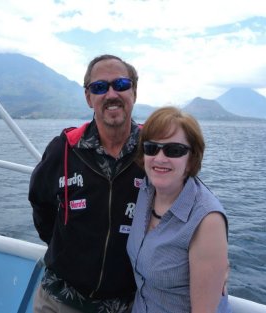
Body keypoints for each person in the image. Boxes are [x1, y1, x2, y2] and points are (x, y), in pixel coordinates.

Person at [29, 54, 145, 313]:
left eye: (121, 84)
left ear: (134, 92)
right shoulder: (65, 149)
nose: (111, 93)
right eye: (100, 87)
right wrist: (65, 251)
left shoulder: (152, 152)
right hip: (59, 300)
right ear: (88, 97)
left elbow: (187, 207)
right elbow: (40, 203)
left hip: (126, 305)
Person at [127, 106, 231, 313]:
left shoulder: (207, 221)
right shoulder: (146, 191)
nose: (160, 158)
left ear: (191, 159)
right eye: (151, 148)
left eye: (174, 150)